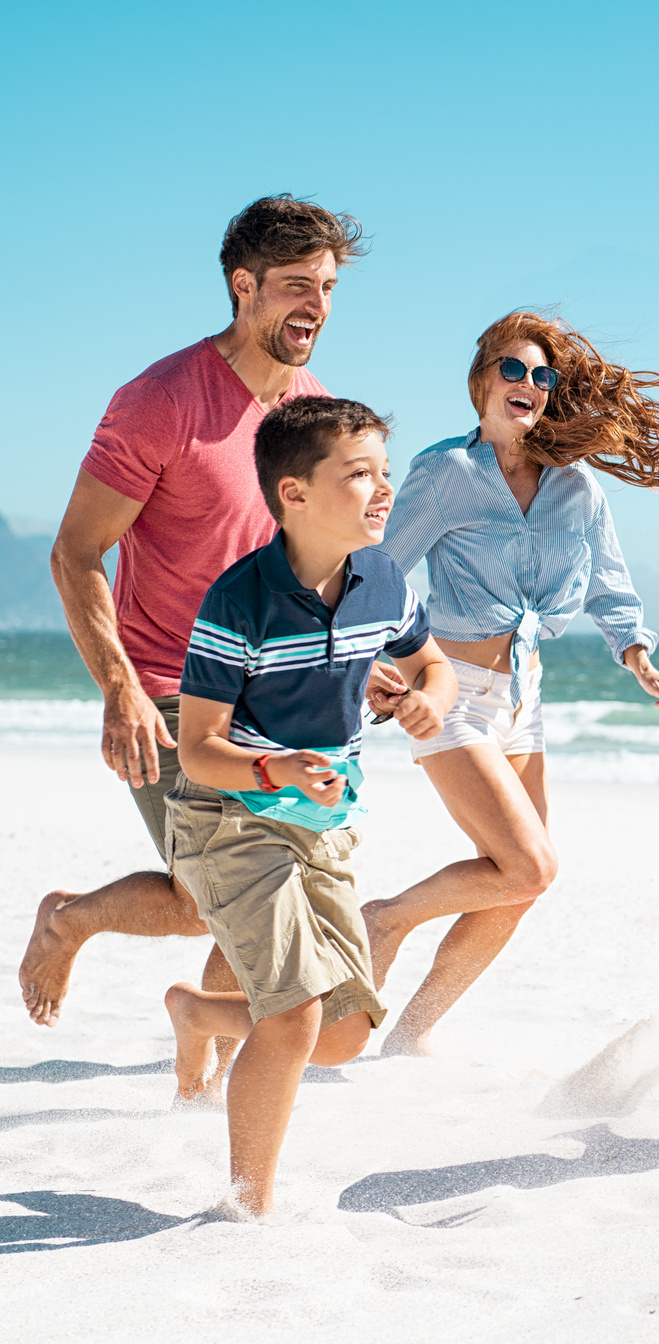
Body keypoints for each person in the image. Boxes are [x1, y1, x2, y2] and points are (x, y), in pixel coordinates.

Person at [21, 196, 368, 1045]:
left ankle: (199, 1067)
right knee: (219, 896)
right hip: (173, 692)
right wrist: (120, 691)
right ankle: (68, 921)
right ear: (243, 287)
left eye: (326, 286)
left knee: (238, 897)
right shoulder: (160, 401)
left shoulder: (309, 406)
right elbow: (75, 553)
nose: (315, 306)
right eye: (296, 285)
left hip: (276, 697)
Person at [361, 312, 659, 1055]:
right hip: (448, 690)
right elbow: (379, 570)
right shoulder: (444, 474)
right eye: (513, 370)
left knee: (522, 884)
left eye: (542, 376)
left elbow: (611, 585)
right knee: (528, 862)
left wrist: (637, 656)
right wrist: (366, 659)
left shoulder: (576, 489)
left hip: (523, 698)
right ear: (482, 380)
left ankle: (411, 1035)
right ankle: (384, 919)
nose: (527, 385)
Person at [163, 396, 454, 1219]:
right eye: (358, 474)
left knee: (345, 1031)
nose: (383, 490)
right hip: (231, 816)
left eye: (384, 473)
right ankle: (244, 1208)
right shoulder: (238, 602)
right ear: (292, 494)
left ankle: (198, 1013)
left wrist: (429, 697)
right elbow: (198, 748)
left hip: (323, 825)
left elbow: (433, 666)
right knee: (292, 1018)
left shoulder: (384, 579)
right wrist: (277, 767)